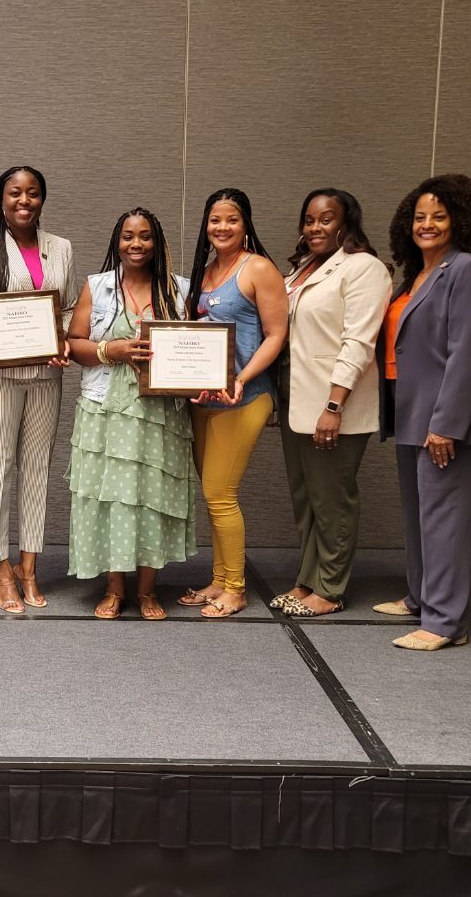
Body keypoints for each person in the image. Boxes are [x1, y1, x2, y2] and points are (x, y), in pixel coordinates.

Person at [374, 174, 471, 650]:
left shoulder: (468, 270)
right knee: (420, 513)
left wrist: (446, 423)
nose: (426, 224)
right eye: (419, 216)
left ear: (460, 221)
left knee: (445, 515)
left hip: (446, 420)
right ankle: (422, 596)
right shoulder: (419, 274)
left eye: (439, 216)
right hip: (410, 412)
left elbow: (469, 353)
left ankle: (446, 622)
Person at [0, 165, 77, 613]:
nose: (23, 201)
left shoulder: (60, 248)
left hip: (46, 376)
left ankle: (29, 566)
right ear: (1, 198)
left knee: (38, 468)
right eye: (14, 193)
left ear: (43, 199)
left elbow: (65, 310)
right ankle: (1, 567)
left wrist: (64, 341)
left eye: (32, 193)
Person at [67, 207, 196, 621]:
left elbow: (194, 349)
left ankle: (146, 591)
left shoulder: (179, 290)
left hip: (160, 411)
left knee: (150, 498)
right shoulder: (98, 286)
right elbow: (74, 344)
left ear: (157, 243)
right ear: (116, 242)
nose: (135, 244)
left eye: (144, 237)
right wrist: (113, 350)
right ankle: (113, 588)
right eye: (127, 236)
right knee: (112, 499)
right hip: (106, 408)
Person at [270, 189, 392, 617]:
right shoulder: (302, 268)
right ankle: (308, 580)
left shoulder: (364, 269)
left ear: (346, 222)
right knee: (305, 495)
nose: (315, 227)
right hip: (294, 399)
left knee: (333, 498)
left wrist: (335, 405)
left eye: (325, 219)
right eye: (309, 219)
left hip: (333, 404)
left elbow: (358, 341)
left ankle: (331, 587)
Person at [177, 188, 287, 619]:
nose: (222, 228)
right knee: (212, 494)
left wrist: (241, 377)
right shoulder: (204, 272)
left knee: (221, 494)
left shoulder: (257, 267)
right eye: (215, 220)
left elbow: (276, 334)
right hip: (204, 400)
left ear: (246, 225)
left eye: (232, 220)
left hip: (245, 398)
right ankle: (219, 580)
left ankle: (236, 588)